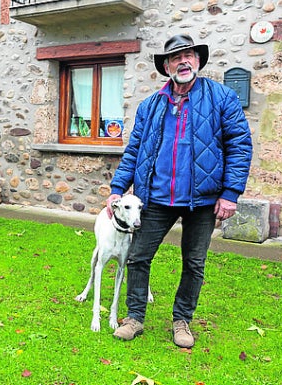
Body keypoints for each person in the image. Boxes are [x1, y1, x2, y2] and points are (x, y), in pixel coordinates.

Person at [108, 34, 252, 347]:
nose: (183, 61)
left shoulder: (222, 98)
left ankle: (182, 320)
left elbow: (239, 146)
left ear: (198, 61)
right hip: (156, 198)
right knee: (138, 257)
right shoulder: (151, 106)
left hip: (202, 200)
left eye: (189, 55)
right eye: (176, 57)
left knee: (194, 263)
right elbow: (134, 150)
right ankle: (134, 317)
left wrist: (230, 193)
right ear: (167, 65)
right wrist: (118, 188)